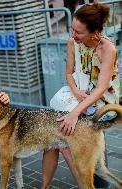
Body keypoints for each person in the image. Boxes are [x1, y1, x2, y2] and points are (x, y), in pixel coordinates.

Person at [42, 3, 119, 189]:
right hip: (79, 94)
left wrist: (75, 113)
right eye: (72, 29)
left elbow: (100, 89)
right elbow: (69, 74)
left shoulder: (108, 49)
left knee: (68, 139)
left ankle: (90, 183)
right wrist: (76, 92)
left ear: (94, 32)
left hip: (102, 102)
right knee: (54, 139)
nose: (73, 35)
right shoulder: (73, 42)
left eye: (79, 32)